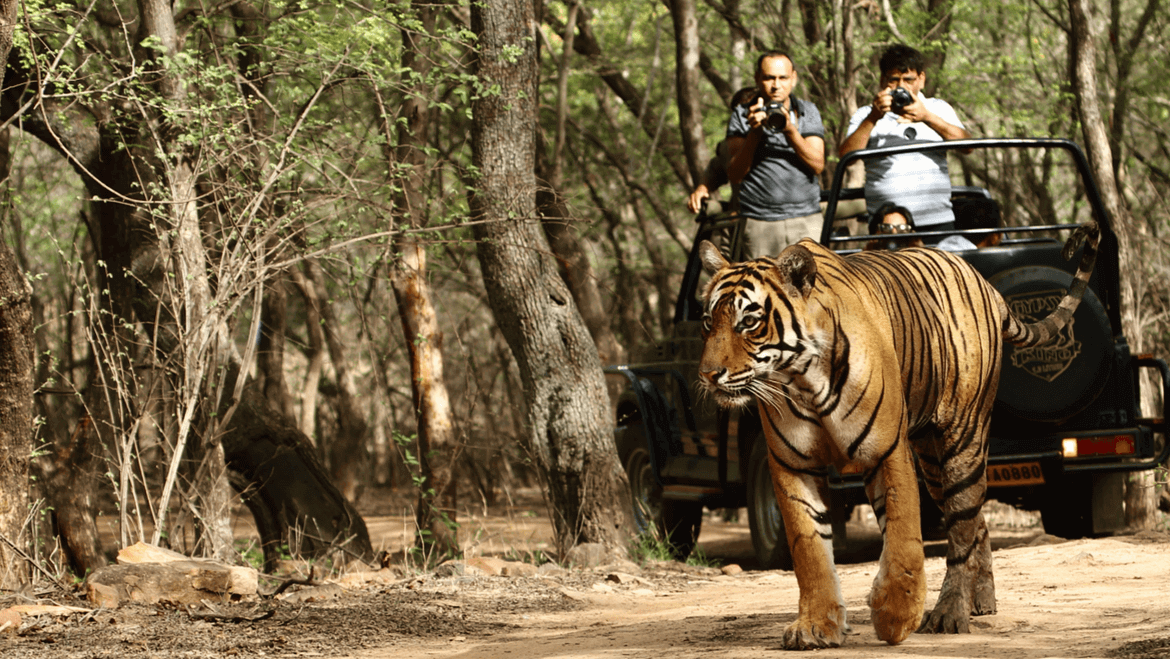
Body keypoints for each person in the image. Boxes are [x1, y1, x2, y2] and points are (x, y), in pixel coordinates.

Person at [839, 44, 970, 243]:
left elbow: (968, 147)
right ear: (883, 80)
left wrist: (927, 117)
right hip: (887, 226)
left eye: (908, 80)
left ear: (921, 80)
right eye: (894, 80)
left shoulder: (938, 108)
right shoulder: (866, 114)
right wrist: (873, 118)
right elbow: (846, 157)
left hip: (937, 221)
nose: (901, 87)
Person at [723, 52, 826, 257]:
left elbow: (817, 164)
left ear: (793, 78)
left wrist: (790, 130)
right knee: (764, 289)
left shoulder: (807, 110)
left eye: (783, 78)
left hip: (807, 219)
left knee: (813, 287)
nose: (776, 85)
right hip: (759, 222)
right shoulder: (741, 115)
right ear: (757, 79)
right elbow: (734, 174)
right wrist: (755, 133)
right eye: (769, 78)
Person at [687, 87, 759, 215]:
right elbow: (716, 169)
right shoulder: (729, 146)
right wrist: (701, 190)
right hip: (744, 215)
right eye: (741, 112)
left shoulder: (787, 133)